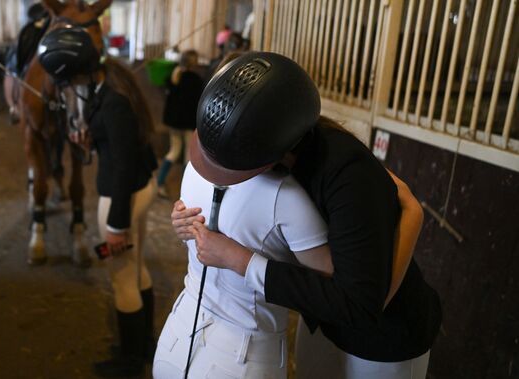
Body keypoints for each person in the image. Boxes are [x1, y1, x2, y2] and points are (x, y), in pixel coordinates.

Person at [171, 52, 442, 378]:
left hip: (383, 335)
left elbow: (360, 304)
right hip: (322, 317)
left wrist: (240, 260)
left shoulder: (346, 171)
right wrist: (188, 216)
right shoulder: (276, 153)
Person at [153, 52, 334, 379]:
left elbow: (192, 235)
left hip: (177, 333)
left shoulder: (194, 166)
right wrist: (249, 261)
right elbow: (328, 289)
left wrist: (198, 238)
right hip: (242, 356)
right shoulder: (288, 198)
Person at [38, 27, 158, 377]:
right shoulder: (109, 85)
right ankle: (145, 343)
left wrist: (116, 225)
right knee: (137, 268)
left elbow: (122, 165)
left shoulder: (114, 100)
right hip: (140, 188)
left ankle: (130, 360)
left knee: (121, 277)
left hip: (123, 196)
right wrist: (92, 142)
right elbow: (127, 146)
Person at [156, 50, 204, 198]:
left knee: (174, 150)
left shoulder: (174, 78)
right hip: (188, 124)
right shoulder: (196, 81)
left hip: (174, 124)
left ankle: (159, 183)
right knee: (187, 157)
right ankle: (185, 190)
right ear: (194, 63)